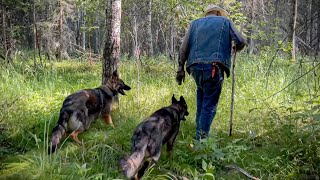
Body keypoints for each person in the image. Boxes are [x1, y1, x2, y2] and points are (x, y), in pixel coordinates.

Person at [176, 4, 247, 140]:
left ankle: (200, 135)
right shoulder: (225, 22)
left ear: (207, 14)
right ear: (218, 13)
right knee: (209, 106)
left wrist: (180, 69)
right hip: (214, 68)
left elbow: (183, 48)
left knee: (202, 102)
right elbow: (241, 41)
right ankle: (201, 141)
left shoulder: (194, 24)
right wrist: (235, 48)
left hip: (195, 68)